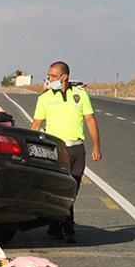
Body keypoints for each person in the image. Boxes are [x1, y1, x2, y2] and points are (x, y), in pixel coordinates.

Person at [31, 61, 102, 243]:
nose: (49, 79)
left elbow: (90, 120)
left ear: (64, 77)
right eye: (49, 75)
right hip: (57, 149)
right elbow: (36, 126)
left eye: (53, 76)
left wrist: (96, 146)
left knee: (73, 190)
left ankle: (55, 224)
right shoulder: (44, 98)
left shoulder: (80, 95)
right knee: (65, 190)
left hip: (77, 149)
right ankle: (69, 230)